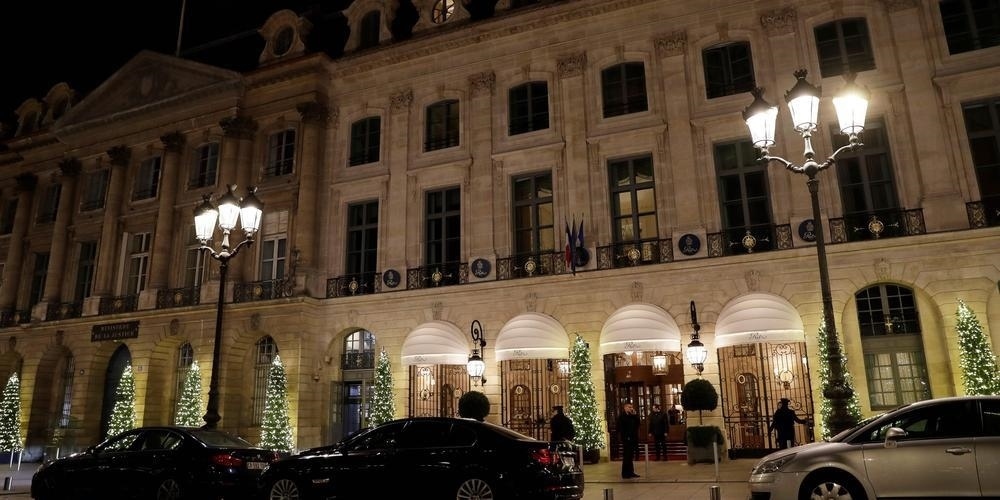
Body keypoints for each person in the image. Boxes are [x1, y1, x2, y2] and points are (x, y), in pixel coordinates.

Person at [617, 402, 640, 478]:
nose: (631, 408)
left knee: (631, 456)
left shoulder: (632, 416)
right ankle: (625, 473)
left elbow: (638, 424)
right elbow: (620, 428)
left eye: (631, 407)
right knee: (626, 456)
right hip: (626, 439)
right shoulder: (622, 416)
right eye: (629, 407)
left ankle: (631, 472)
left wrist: (635, 415)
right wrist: (626, 437)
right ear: (625, 408)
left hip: (633, 438)